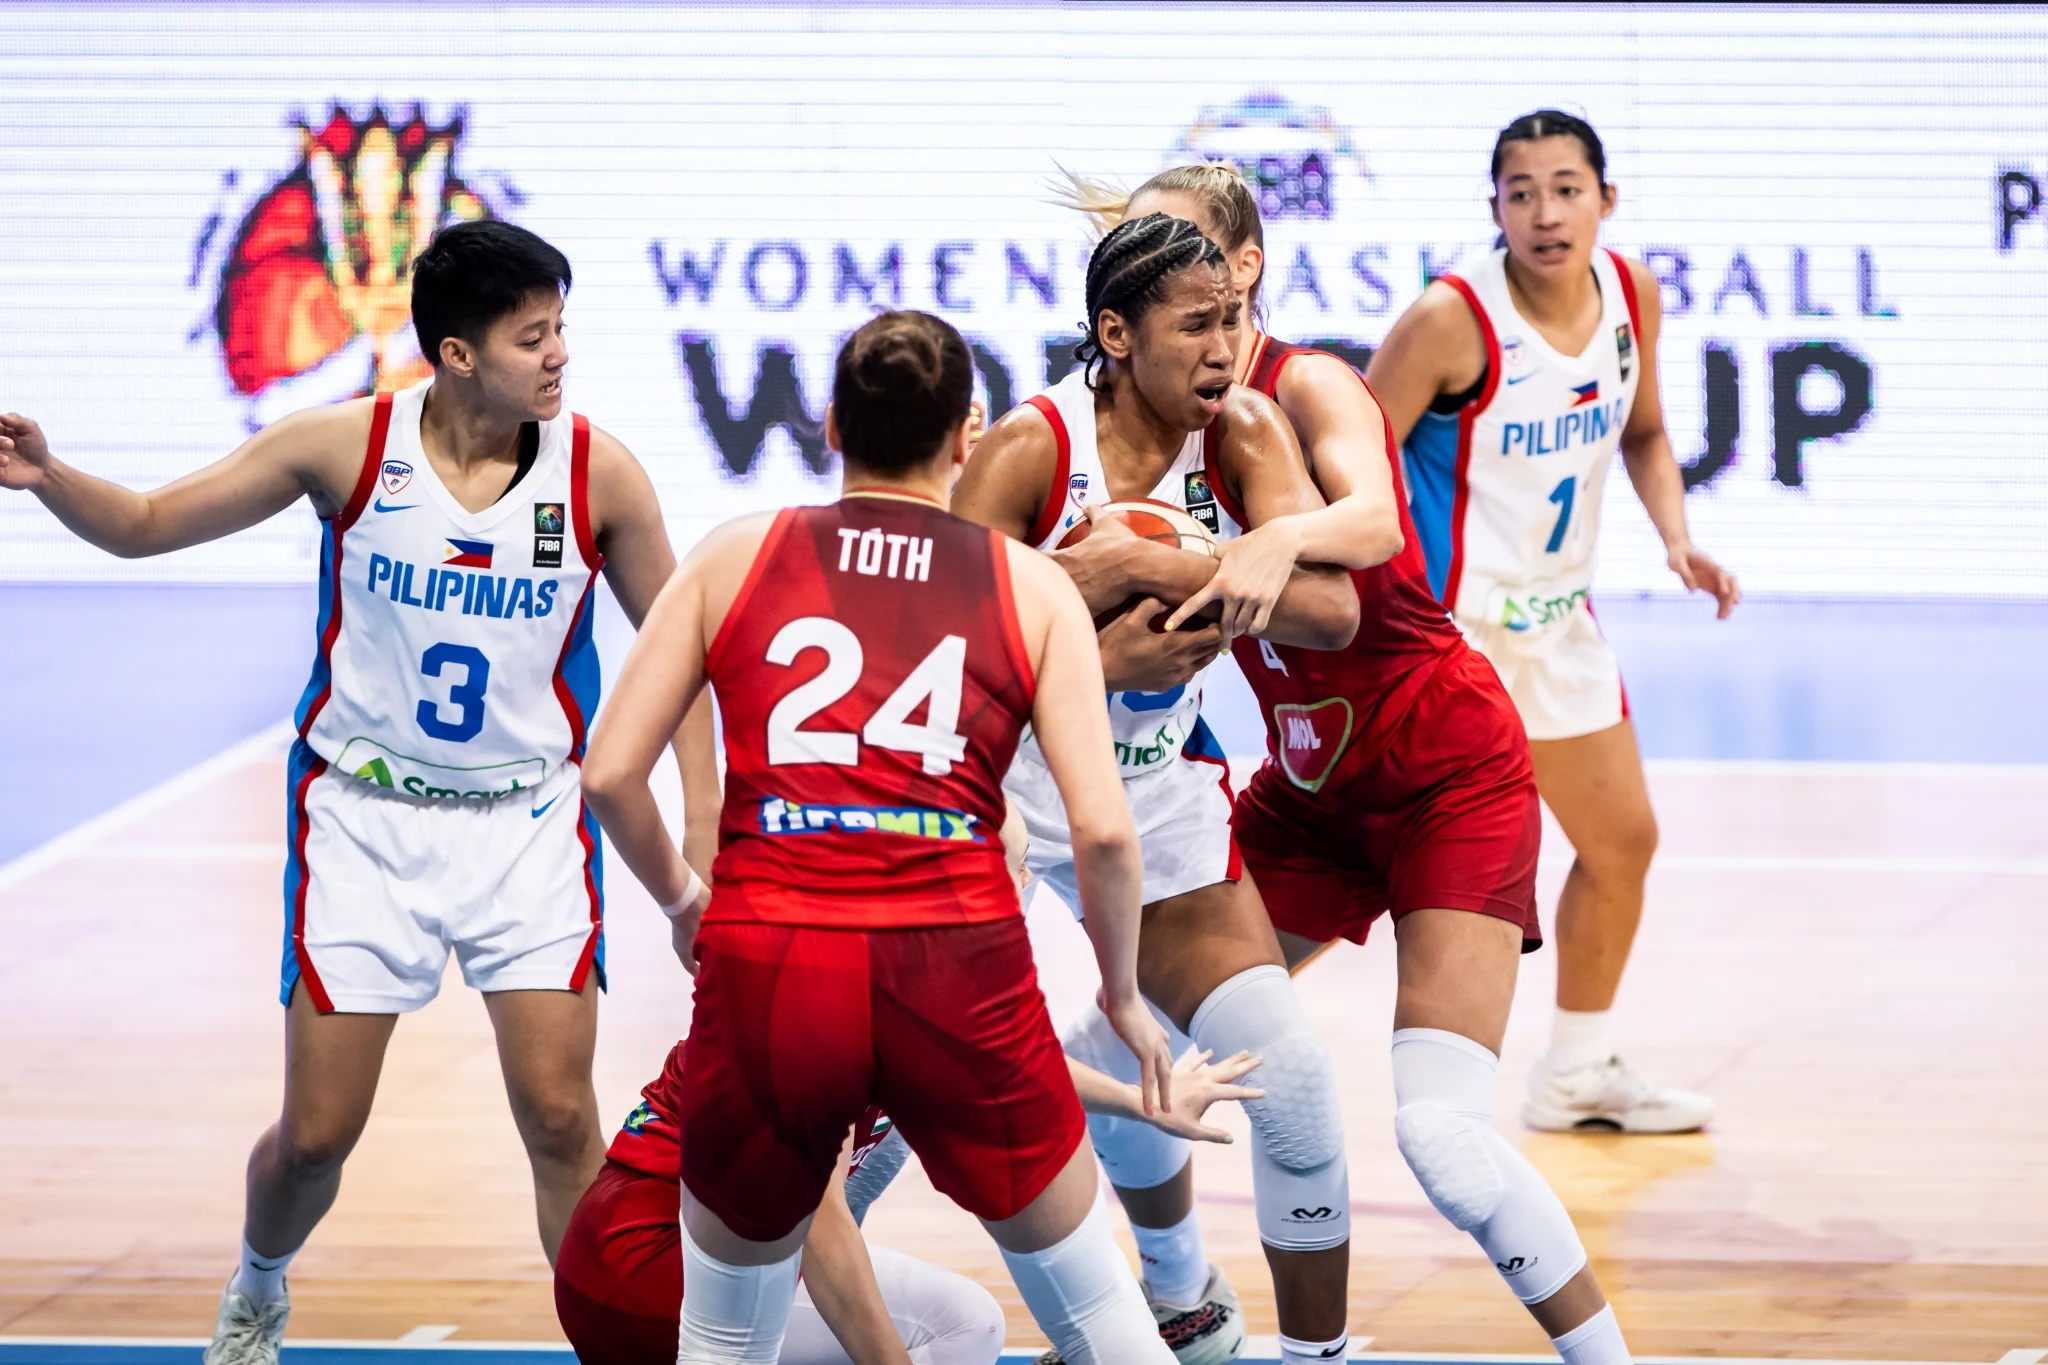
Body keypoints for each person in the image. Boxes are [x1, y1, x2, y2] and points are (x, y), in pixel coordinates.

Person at [0, 219, 720, 1365]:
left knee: (559, 1116)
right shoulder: (342, 450)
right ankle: (257, 1284)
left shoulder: (599, 473)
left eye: (563, 331)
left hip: (528, 825)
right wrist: (48, 479)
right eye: (532, 336)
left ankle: (612, 1344)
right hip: (362, 824)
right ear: (455, 353)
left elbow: (685, 664)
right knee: (318, 1140)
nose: (558, 356)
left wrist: (701, 842)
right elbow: (142, 528)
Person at [1058, 162, 1638, 1365]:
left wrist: (1258, 542)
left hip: (1443, 768)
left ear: (1242, 269)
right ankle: (1186, 1302)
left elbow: (1371, 525)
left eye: (1192, 262)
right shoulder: (1142, 416)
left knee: (1441, 1139)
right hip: (1309, 787)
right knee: (1123, 1053)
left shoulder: (1302, 381)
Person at [579, 308, 1182, 1365]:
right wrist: (1124, 998)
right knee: (1099, 1316)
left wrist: (685, 904)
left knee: (723, 1338)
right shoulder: (1028, 583)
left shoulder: (736, 554)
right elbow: (1102, 832)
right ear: (965, 440)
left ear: (827, 426)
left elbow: (610, 774)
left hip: (771, 958)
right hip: (954, 961)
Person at [955, 213, 1362, 1365]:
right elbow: (937, 652)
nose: (1224, 348)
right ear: (1114, 334)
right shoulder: (1031, 450)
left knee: (1289, 1087)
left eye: (1232, 318)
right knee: (931, 1109)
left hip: (1158, 795)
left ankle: (1279, 1345)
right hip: (1005, 797)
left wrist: (1141, 564)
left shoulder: (1242, 430)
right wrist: (1084, 666)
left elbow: (1331, 611)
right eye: (1195, 326)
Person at [1366, 111, 1738, 1135]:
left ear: (1603, 201)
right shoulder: (1449, 320)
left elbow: (1650, 433)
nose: (1543, 212)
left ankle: (1574, 1070)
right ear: (1493, 209)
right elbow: (1349, 449)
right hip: (1453, 639)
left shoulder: (1629, 294)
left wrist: (1674, 538)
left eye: (1565, 188)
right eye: (1519, 191)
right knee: (1398, 883)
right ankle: (1173, 1028)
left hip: (1557, 626)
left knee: (1620, 844)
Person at [554, 1038, 1263, 1364]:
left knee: (895, 1143)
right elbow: (824, 1223)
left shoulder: (876, 964)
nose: (1015, 884)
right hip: (655, 1267)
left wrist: (1147, 1102)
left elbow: (1006, 1056)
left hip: (605, 1261)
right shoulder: (842, 1007)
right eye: (1005, 863)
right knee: (962, 1326)